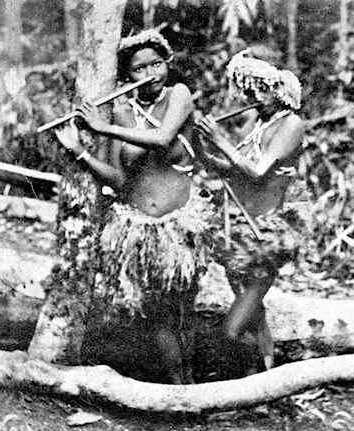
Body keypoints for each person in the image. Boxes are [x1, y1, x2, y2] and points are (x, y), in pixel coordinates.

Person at [53, 29, 212, 384]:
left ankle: (190, 384)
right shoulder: (121, 113)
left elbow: (162, 138)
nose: (151, 73)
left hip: (179, 226)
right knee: (157, 315)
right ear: (127, 77)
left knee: (182, 310)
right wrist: (78, 151)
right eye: (140, 69)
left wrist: (103, 128)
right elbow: (118, 179)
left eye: (157, 64)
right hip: (138, 229)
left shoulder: (178, 95)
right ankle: (178, 391)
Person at [195, 49, 305, 374]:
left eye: (261, 88)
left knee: (230, 330)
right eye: (249, 89)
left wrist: (220, 138)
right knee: (255, 316)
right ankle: (267, 373)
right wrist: (201, 146)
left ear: (279, 89)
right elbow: (228, 170)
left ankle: (243, 381)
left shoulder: (291, 124)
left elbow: (256, 172)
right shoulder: (258, 123)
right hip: (239, 229)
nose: (252, 96)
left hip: (266, 237)